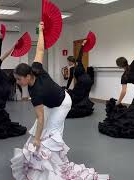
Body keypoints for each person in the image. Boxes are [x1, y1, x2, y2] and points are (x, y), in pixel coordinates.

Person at [11, 22, 109, 180]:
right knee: (42, 130)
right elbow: (40, 49)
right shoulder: (35, 69)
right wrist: (41, 31)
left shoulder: (36, 90)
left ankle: (57, 166)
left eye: (19, 79)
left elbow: (41, 117)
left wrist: (37, 139)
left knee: (53, 133)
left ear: (28, 76)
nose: (17, 81)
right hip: (51, 103)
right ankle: (42, 162)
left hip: (63, 103)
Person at [98, 32, 134, 139]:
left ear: (119, 66)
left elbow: (124, 92)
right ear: (126, 62)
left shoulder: (124, 76)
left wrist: (118, 102)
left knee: (133, 110)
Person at [66, 40, 94, 118]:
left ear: (71, 61)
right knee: (85, 95)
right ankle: (85, 108)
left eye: (68, 61)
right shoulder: (74, 67)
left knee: (76, 95)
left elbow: (80, 54)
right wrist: (67, 88)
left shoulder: (78, 63)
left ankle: (80, 108)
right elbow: (70, 78)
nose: (68, 63)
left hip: (83, 81)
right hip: (89, 80)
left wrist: (82, 45)